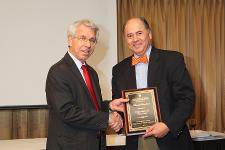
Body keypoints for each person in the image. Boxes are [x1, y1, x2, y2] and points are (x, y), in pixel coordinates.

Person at [111, 17, 195, 150]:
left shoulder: (172, 60)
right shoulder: (118, 70)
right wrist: (117, 117)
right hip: (135, 143)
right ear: (126, 40)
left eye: (139, 33)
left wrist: (168, 125)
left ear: (149, 34)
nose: (135, 39)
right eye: (130, 35)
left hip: (171, 141)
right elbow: (119, 105)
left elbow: (187, 99)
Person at [45, 19, 124, 150]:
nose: (88, 44)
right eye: (83, 38)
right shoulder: (58, 72)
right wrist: (107, 118)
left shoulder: (91, 72)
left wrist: (109, 106)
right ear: (70, 40)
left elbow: (89, 106)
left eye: (92, 40)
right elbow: (67, 111)